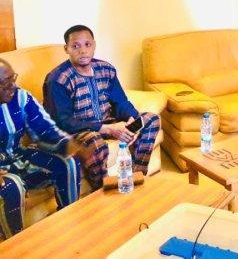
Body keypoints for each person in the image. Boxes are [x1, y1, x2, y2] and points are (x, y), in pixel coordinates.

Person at [43, 25, 160, 190]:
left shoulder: (106, 69)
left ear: (94, 45)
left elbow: (120, 101)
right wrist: (108, 129)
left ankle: (136, 177)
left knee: (151, 120)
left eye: (87, 44)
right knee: (95, 143)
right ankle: (102, 191)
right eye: (75, 46)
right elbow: (63, 122)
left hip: (108, 122)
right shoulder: (58, 79)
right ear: (66, 49)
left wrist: (131, 119)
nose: (83, 51)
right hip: (79, 131)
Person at [0, 58, 81, 239]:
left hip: (18, 157)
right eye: (5, 84)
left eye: (13, 79)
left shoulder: (21, 97)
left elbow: (44, 130)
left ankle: (70, 222)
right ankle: (15, 245)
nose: (13, 87)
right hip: (3, 173)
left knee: (67, 162)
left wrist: (68, 144)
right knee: (11, 187)